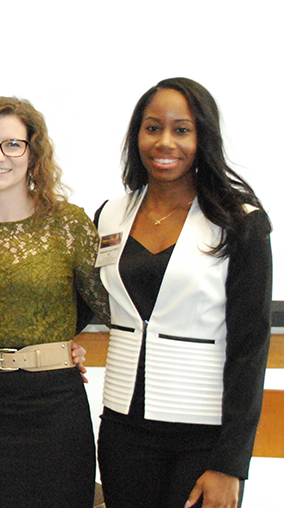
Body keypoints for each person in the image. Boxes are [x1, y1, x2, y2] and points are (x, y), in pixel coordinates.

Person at [95, 78, 272, 508]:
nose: (165, 142)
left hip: (203, 439)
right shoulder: (110, 214)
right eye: (152, 128)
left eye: (182, 129)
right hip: (123, 431)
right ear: (137, 135)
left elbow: (251, 347)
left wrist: (231, 464)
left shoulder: (240, 222)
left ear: (203, 137)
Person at [0, 96, 109, 507]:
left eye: (13, 144)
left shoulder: (69, 223)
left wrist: (61, 338)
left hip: (55, 407)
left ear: (33, 154)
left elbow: (105, 304)